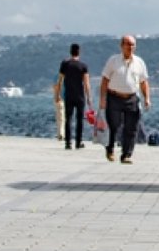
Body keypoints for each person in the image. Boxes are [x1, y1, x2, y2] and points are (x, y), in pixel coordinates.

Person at [98, 35, 150, 164]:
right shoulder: (113, 61)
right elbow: (105, 80)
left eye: (132, 45)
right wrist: (103, 99)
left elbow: (144, 82)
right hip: (114, 96)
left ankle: (126, 154)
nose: (130, 47)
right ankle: (110, 147)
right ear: (122, 46)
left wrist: (147, 98)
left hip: (131, 97)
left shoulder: (139, 62)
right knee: (114, 125)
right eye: (127, 44)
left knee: (131, 128)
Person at [55, 44, 91, 149]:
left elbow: (60, 81)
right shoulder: (83, 66)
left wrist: (57, 95)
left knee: (68, 119)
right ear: (79, 52)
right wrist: (89, 98)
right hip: (80, 96)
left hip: (69, 95)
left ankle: (68, 143)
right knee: (80, 120)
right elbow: (86, 83)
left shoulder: (65, 64)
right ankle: (78, 142)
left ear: (70, 51)